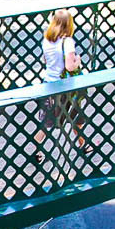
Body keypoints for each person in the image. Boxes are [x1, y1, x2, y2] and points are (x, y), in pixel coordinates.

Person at [35, 9, 93, 161]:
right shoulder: (67, 42)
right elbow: (70, 67)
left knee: (48, 120)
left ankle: (36, 148)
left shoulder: (46, 40)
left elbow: (47, 62)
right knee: (75, 115)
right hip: (66, 86)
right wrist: (78, 61)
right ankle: (83, 145)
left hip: (49, 83)